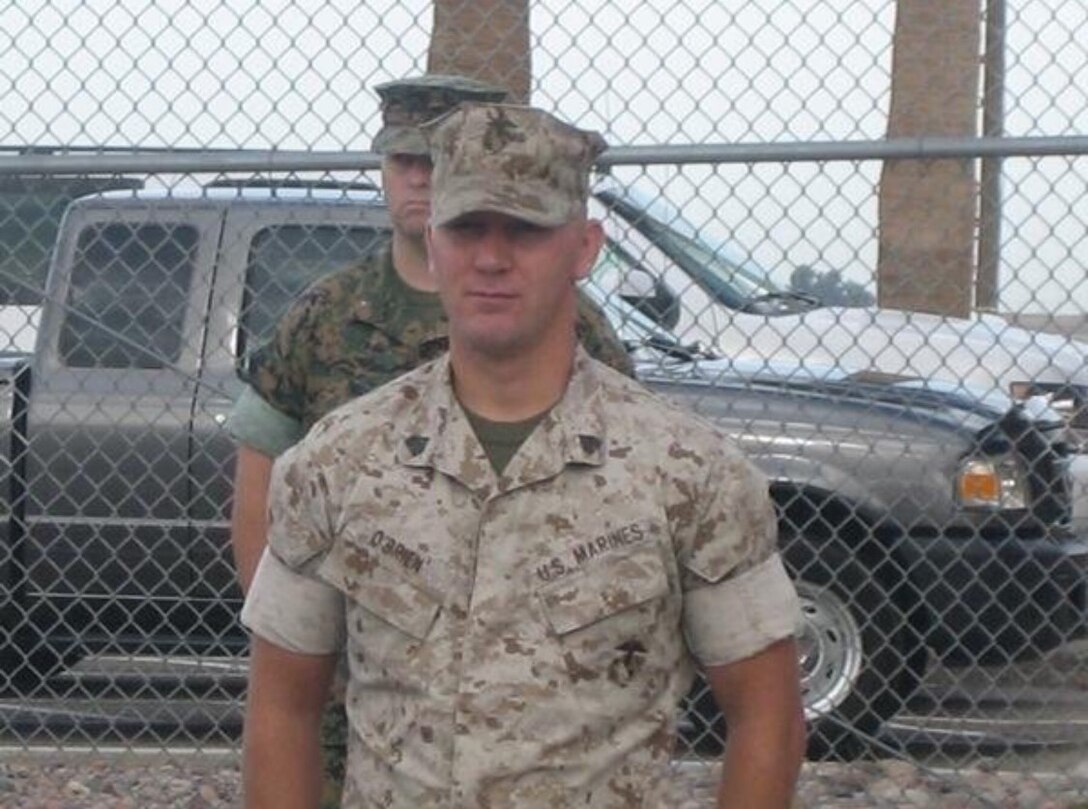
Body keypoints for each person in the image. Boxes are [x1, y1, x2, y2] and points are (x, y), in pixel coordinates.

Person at [241, 102, 806, 809]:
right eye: (467, 227)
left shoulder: (690, 474)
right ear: (434, 240)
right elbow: (280, 708)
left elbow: (769, 717)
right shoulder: (335, 465)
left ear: (585, 247)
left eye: (526, 230)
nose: (491, 257)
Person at [226, 76, 635, 808]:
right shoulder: (325, 317)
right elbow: (261, 485)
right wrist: (303, 644)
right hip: (353, 678)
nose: (415, 177)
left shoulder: (568, 322)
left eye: (430, 160)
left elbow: (626, 474)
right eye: (399, 161)